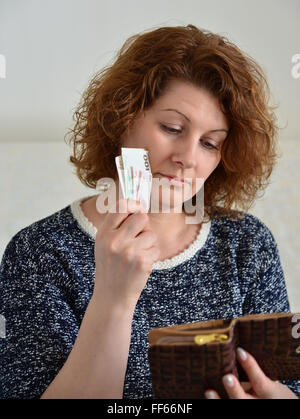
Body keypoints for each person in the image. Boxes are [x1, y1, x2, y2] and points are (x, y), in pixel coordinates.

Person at [0, 24, 299, 399]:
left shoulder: (248, 244)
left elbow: (289, 387)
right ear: (122, 118)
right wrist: (113, 298)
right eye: (172, 128)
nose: (187, 158)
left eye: (209, 143)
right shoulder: (38, 253)